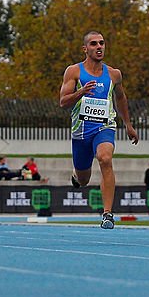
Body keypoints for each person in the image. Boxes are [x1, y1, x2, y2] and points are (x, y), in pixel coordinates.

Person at [59, 31, 140, 230]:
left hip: (104, 126)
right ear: (85, 49)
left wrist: (128, 124)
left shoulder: (114, 74)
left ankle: (107, 214)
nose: (99, 47)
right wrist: (81, 92)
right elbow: (63, 102)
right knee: (84, 180)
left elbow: (120, 98)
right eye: (94, 44)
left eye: (102, 43)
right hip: (81, 132)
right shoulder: (74, 72)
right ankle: (77, 176)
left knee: (105, 158)